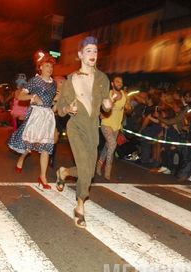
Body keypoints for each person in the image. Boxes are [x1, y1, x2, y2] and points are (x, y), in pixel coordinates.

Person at [56, 36, 115, 228]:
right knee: (84, 167)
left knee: (88, 173)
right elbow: (61, 107)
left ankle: (64, 172)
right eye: (88, 50)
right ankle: (80, 206)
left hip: (92, 129)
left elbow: (106, 106)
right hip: (76, 127)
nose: (93, 54)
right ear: (80, 54)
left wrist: (108, 104)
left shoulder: (102, 79)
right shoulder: (70, 80)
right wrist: (68, 109)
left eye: (95, 51)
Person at [8, 51, 56, 189]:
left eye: (51, 66)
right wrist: (32, 97)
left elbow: (52, 100)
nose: (50, 68)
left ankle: (43, 177)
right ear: (40, 67)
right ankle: (21, 158)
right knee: (30, 146)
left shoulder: (54, 84)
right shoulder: (35, 80)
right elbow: (20, 96)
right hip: (35, 115)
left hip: (47, 116)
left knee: (45, 146)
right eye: (47, 66)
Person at [96, 74, 130, 180]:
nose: (119, 83)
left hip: (116, 126)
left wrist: (129, 108)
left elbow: (128, 109)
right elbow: (99, 107)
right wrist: (100, 113)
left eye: (121, 82)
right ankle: (108, 169)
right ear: (112, 84)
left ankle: (99, 163)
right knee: (112, 144)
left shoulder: (125, 95)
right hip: (106, 123)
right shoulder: (107, 94)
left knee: (108, 146)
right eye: (117, 81)